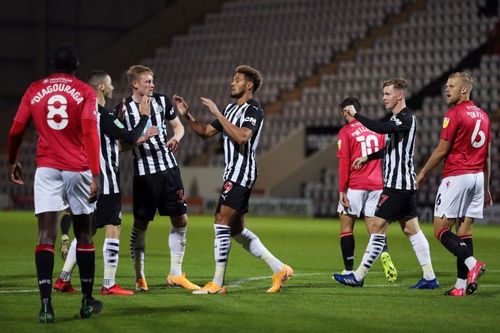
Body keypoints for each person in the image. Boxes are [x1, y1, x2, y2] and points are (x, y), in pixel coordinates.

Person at [173, 65, 293, 294]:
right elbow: (206, 132)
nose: (232, 83)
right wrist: (187, 114)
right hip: (232, 172)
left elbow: (241, 137)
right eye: (232, 79)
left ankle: (217, 283)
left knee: (220, 222)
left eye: (237, 80)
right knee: (236, 230)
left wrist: (218, 113)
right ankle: (280, 269)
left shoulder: (253, 110)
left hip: (243, 172)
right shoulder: (230, 109)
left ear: (249, 85)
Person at [7, 45, 102, 323]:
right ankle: (86, 302)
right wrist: (95, 174)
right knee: (84, 234)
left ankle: (46, 306)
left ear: (52, 65)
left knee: (45, 236)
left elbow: (16, 128)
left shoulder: (35, 88)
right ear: (76, 66)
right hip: (78, 169)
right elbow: (89, 132)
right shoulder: (85, 91)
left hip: (46, 169)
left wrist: (12, 159)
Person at [54, 70, 158, 295]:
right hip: (106, 182)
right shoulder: (103, 115)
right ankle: (109, 284)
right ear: (101, 87)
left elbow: (115, 140)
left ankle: (63, 279)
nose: (112, 88)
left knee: (87, 231)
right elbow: (129, 137)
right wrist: (143, 116)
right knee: (113, 228)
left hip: (86, 180)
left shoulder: (84, 113)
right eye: (109, 85)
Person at [333, 78, 438, 289]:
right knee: (412, 230)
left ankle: (358, 276)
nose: (383, 98)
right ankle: (429, 277)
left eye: (387, 94)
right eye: (383, 94)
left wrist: (356, 115)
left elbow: (380, 129)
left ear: (400, 95)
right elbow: (389, 148)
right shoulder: (397, 118)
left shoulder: (405, 118)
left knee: (378, 227)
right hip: (402, 185)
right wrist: (368, 157)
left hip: (397, 186)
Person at [119, 65, 199, 292]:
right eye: (147, 82)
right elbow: (119, 145)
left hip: (169, 170)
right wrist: (141, 138)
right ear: (135, 84)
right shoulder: (123, 109)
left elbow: (179, 127)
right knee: (141, 225)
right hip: (144, 175)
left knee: (181, 220)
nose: (152, 85)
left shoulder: (162, 102)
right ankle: (139, 275)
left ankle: (176, 274)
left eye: (153, 81)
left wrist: (176, 137)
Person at [416, 72, 490, 296]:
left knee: (440, 230)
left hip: (457, 176)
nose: (446, 89)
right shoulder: (483, 116)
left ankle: (472, 264)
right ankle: (461, 287)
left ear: (464, 90)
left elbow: (442, 149)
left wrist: (423, 173)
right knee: (464, 231)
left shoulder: (454, 113)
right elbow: (486, 155)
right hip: (477, 177)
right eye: (446, 86)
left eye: (452, 86)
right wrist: (486, 186)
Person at [336, 97, 397, 283]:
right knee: (375, 230)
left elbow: (344, 162)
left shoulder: (346, 131)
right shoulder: (376, 129)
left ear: (346, 112)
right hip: (377, 185)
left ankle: (348, 271)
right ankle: (385, 254)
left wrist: (342, 190)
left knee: (346, 227)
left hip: (356, 184)